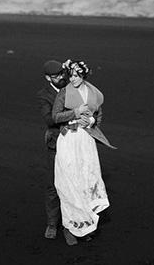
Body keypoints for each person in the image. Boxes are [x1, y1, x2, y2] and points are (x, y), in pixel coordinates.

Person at [52, 59, 115, 243]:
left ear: (83, 76)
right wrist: (75, 113)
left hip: (86, 140)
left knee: (86, 179)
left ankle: (86, 224)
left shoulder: (93, 93)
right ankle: (70, 226)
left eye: (76, 76)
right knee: (68, 181)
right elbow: (55, 116)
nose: (73, 79)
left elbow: (98, 114)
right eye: (71, 76)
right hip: (69, 139)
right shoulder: (64, 93)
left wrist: (92, 121)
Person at [36, 59, 89, 246]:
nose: (60, 77)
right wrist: (75, 113)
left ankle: (71, 226)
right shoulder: (44, 95)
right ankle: (52, 223)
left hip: (76, 142)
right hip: (56, 144)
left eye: (61, 73)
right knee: (53, 185)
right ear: (47, 78)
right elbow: (50, 120)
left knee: (75, 185)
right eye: (56, 76)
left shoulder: (71, 85)